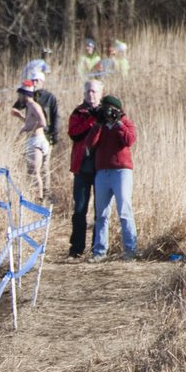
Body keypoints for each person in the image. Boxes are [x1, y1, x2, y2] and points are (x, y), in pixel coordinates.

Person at [88, 94, 138, 259]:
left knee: (124, 210)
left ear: (117, 109)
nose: (106, 112)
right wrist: (98, 125)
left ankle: (130, 250)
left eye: (109, 109)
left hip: (121, 172)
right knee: (101, 213)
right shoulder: (100, 125)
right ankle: (99, 251)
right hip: (102, 172)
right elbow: (90, 144)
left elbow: (129, 140)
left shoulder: (125, 123)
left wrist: (118, 123)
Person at [67, 79, 104, 258]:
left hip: (101, 168)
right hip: (82, 167)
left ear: (100, 94)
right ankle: (76, 248)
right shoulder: (78, 112)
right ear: (84, 93)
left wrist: (101, 118)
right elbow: (74, 134)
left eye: (94, 92)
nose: (91, 95)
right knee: (80, 209)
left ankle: (97, 247)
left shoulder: (106, 112)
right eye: (88, 91)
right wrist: (92, 120)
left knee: (100, 210)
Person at [11, 81, 51, 198]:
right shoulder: (29, 107)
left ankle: (39, 199)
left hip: (37, 141)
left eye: (20, 95)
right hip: (34, 141)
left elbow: (43, 123)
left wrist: (26, 129)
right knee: (31, 173)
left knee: (34, 172)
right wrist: (20, 117)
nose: (19, 98)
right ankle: (35, 198)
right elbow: (31, 122)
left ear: (24, 94)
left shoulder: (34, 106)